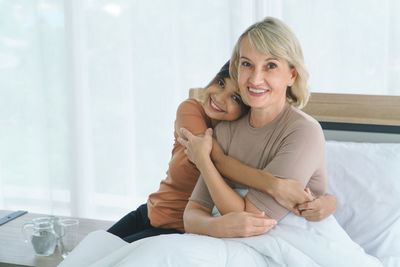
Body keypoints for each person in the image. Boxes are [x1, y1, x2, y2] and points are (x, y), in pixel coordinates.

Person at [108, 59, 335, 243]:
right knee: (91, 252)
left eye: (235, 98)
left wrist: (329, 202)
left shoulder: (244, 135)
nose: (219, 97)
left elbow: (304, 183)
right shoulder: (192, 110)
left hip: (182, 229)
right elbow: (213, 158)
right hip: (151, 211)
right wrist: (274, 184)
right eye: (220, 83)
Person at [181, 17, 335, 238]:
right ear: (236, 68)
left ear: (292, 74)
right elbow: (192, 214)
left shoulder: (304, 132)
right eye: (247, 64)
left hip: (292, 239)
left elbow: (252, 220)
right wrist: (215, 227)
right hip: (223, 240)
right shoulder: (225, 130)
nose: (255, 79)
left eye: (270, 66)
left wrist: (205, 161)